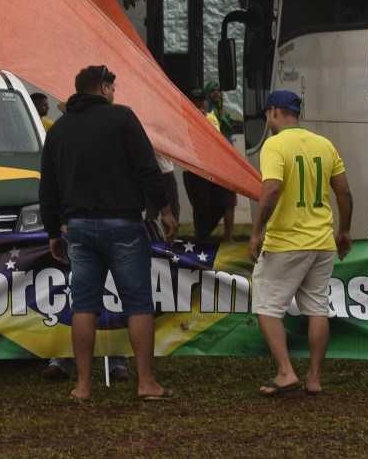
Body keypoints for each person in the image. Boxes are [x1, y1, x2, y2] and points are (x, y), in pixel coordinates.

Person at [39, 64, 177, 401]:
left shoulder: (59, 130)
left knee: (83, 306)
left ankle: (83, 385)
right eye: (112, 87)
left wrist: (52, 231)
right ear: (102, 88)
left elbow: (49, 187)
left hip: (79, 228)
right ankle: (146, 383)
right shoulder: (123, 119)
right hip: (124, 224)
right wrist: (165, 209)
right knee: (138, 304)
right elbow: (148, 168)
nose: (115, 93)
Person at [249, 90, 353, 396]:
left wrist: (257, 231)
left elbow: (271, 189)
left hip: (286, 241)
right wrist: (344, 231)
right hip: (322, 240)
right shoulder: (324, 144)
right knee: (317, 308)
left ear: (274, 112)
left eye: (268, 113)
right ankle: (314, 378)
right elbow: (344, 192)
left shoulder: (274, 145)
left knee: (267, 305)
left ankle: (285, 372)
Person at [182, 88, 235, 242]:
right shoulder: (186, 118)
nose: (200, 106)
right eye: (196, 103)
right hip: (195, 172)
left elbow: (221, 136)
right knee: (201, 208)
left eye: (202, 102)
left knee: (225, 202)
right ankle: (201, 238)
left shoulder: (213, 118)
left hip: (215, 170)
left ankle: (218, 237)